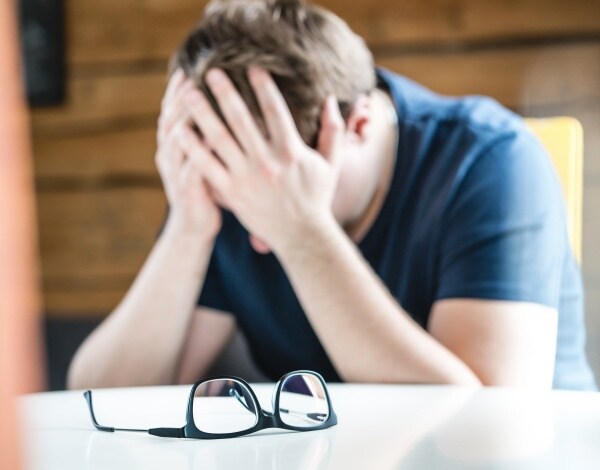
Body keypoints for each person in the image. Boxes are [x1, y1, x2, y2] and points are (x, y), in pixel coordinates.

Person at [67, 0, 596, 391]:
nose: (252, 223)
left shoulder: (492, 158)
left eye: (273, 181)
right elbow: (101, 396)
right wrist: (188, 226)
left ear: (359, 123)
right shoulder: (233, 179)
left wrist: (301, 233)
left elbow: (484, 425)